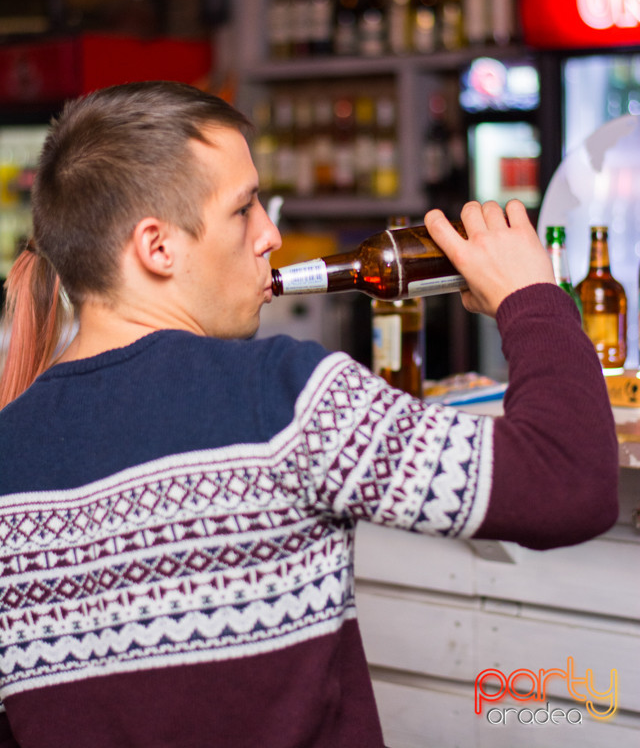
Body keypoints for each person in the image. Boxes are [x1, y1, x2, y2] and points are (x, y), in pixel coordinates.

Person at [0, 81, 618, 748]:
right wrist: (531, 297)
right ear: (157, 247)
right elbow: (570, 484)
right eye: (244, 210)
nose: (271, 233)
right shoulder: (284, 398)